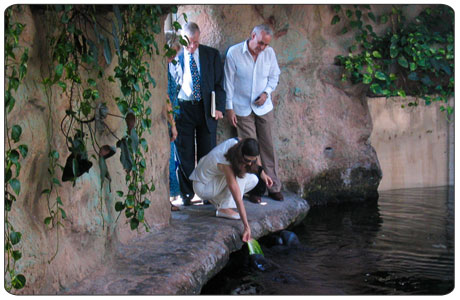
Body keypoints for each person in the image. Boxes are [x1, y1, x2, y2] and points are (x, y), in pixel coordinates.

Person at [224, 24, 284, 202]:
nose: (262, 48)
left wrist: (266, 93)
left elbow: (274, 77)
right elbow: (228, 83)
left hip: (263, 107)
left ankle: (274, 187)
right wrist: (229, 108)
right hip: (241, 106)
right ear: (252, 36)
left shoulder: (269, 54)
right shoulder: (233, 53)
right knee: (249, 149)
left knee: (267, 147)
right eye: (260, 43)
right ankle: (255, 189)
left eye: (265, 44)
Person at [170, 22, 226, 206]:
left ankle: (207, 193)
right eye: (188, 43)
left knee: (207, 151)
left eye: (195, 42)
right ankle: (186, 194)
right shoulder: (175, 56)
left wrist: (219, 107)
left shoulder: (211, 55)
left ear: (199, 37)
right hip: (183, 108)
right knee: (184, 151)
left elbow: (219, 84)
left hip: (206, 107)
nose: (192, 47)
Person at [190, 138, 273, 242]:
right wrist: (246, 227)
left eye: (253, 161)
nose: (250, 164)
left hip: (214, 179)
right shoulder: (227, 162)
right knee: (239, 175)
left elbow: (252, 160)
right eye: (247, 160)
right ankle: (224, 207)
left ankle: (221, 202)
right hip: (203, 186)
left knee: (253, 179)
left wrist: (262, 174)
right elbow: (237, 197)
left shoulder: (239, 144)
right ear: (241, 154)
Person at [166, 31, 182, 211]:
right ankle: (165, 201)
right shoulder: (161, 68)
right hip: (166, 123)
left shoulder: (166, 66)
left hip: (169, 120)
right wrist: (173, 125)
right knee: (168, 162)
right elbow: (166, 99)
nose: (173, 56)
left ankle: (167, 201)